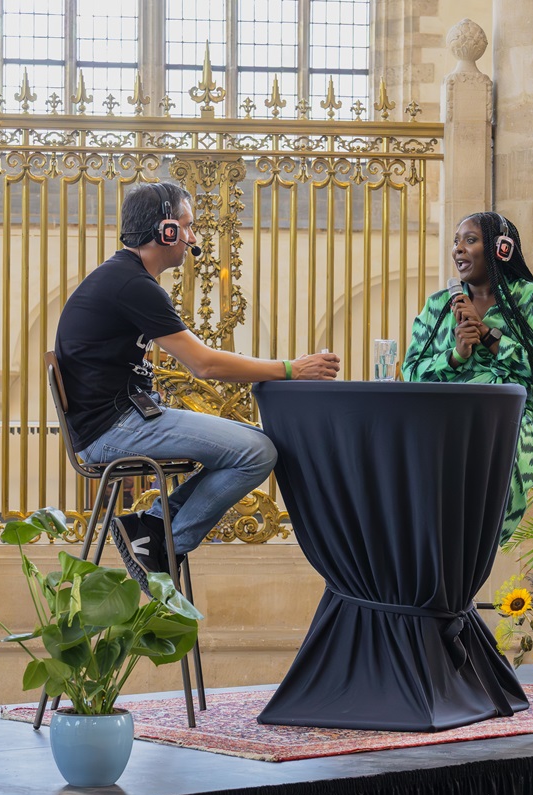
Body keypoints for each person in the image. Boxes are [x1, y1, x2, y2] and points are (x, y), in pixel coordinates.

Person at [55, 181, 339, 593]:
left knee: (257, 443)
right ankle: (166, 540)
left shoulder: (125, 278)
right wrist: (292, 369)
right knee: (258, 452)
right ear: (164, 231)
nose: (191, 239)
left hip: (119, 421)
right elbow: (204, 364)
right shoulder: (132, 285)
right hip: (111, 431)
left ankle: (152, 525)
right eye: (186, 227)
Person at [402, 212, 533, 544]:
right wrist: (457, 355)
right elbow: (412, 373)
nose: (458, 249)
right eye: (456, 242)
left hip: (514, 416)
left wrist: (489, 335)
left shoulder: (528, 297)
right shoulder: (437, 306)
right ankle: (428, 550)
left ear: (501, 248)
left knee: (498, 456)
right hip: (450, 415)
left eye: (470, 240)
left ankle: (473, 552)